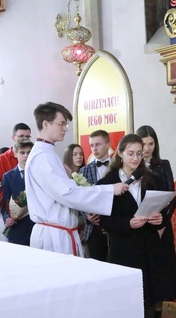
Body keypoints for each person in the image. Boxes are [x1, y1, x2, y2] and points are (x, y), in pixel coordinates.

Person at [98, 134, 176, 318]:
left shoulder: (149, 178)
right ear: (120, 153)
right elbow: (105, 222)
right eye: (130, 153)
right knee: (129, 302)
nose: (135, 158)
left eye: (139, 154)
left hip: (149, 245)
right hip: (124, 249)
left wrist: (157, 218)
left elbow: (160, 208)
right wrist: (127, 224)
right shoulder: (108, 182)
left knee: (149, 299)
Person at [24, 102, 127, 256]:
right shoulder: (43, 157)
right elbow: (68, 193)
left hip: (60, 232)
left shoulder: (47, 154)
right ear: (45, 124)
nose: (65, 128)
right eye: (62, 123)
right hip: (54, 237)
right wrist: (109, 189)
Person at [136, 125, 176, 318]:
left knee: (161, 276)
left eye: (150, 144)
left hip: (160, 227)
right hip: (141, 228)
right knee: (147, 276)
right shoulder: (133, 168)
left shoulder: (163, 165)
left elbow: (171, 196)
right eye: (143, 144)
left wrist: (163, 222)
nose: (146, 149)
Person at [0, 123, 32, 241]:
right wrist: (13, 210)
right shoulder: (2, 159)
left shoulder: (34, 159)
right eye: (21, 136)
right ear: (13, 137)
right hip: (12, 214)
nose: (24, 139)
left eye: (27, 137)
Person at [79, 130, 113, 261]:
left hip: (115, 225)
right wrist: (86, 215)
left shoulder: (119, 167)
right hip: (93, 228)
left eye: (98, 144)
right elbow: (79, 198)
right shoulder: (84, 170)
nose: (94, 148)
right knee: (96, 263)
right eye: (92, 145)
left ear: (108, 144)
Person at [1, 138, 34, 246]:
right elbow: (5, 204)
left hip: (36, 226)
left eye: (29, 152)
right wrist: (7, 218)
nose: (26, 156)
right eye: (22, 153)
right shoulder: (8, 176)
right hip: (17, 228)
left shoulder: (39, 174)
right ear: (15, 154)